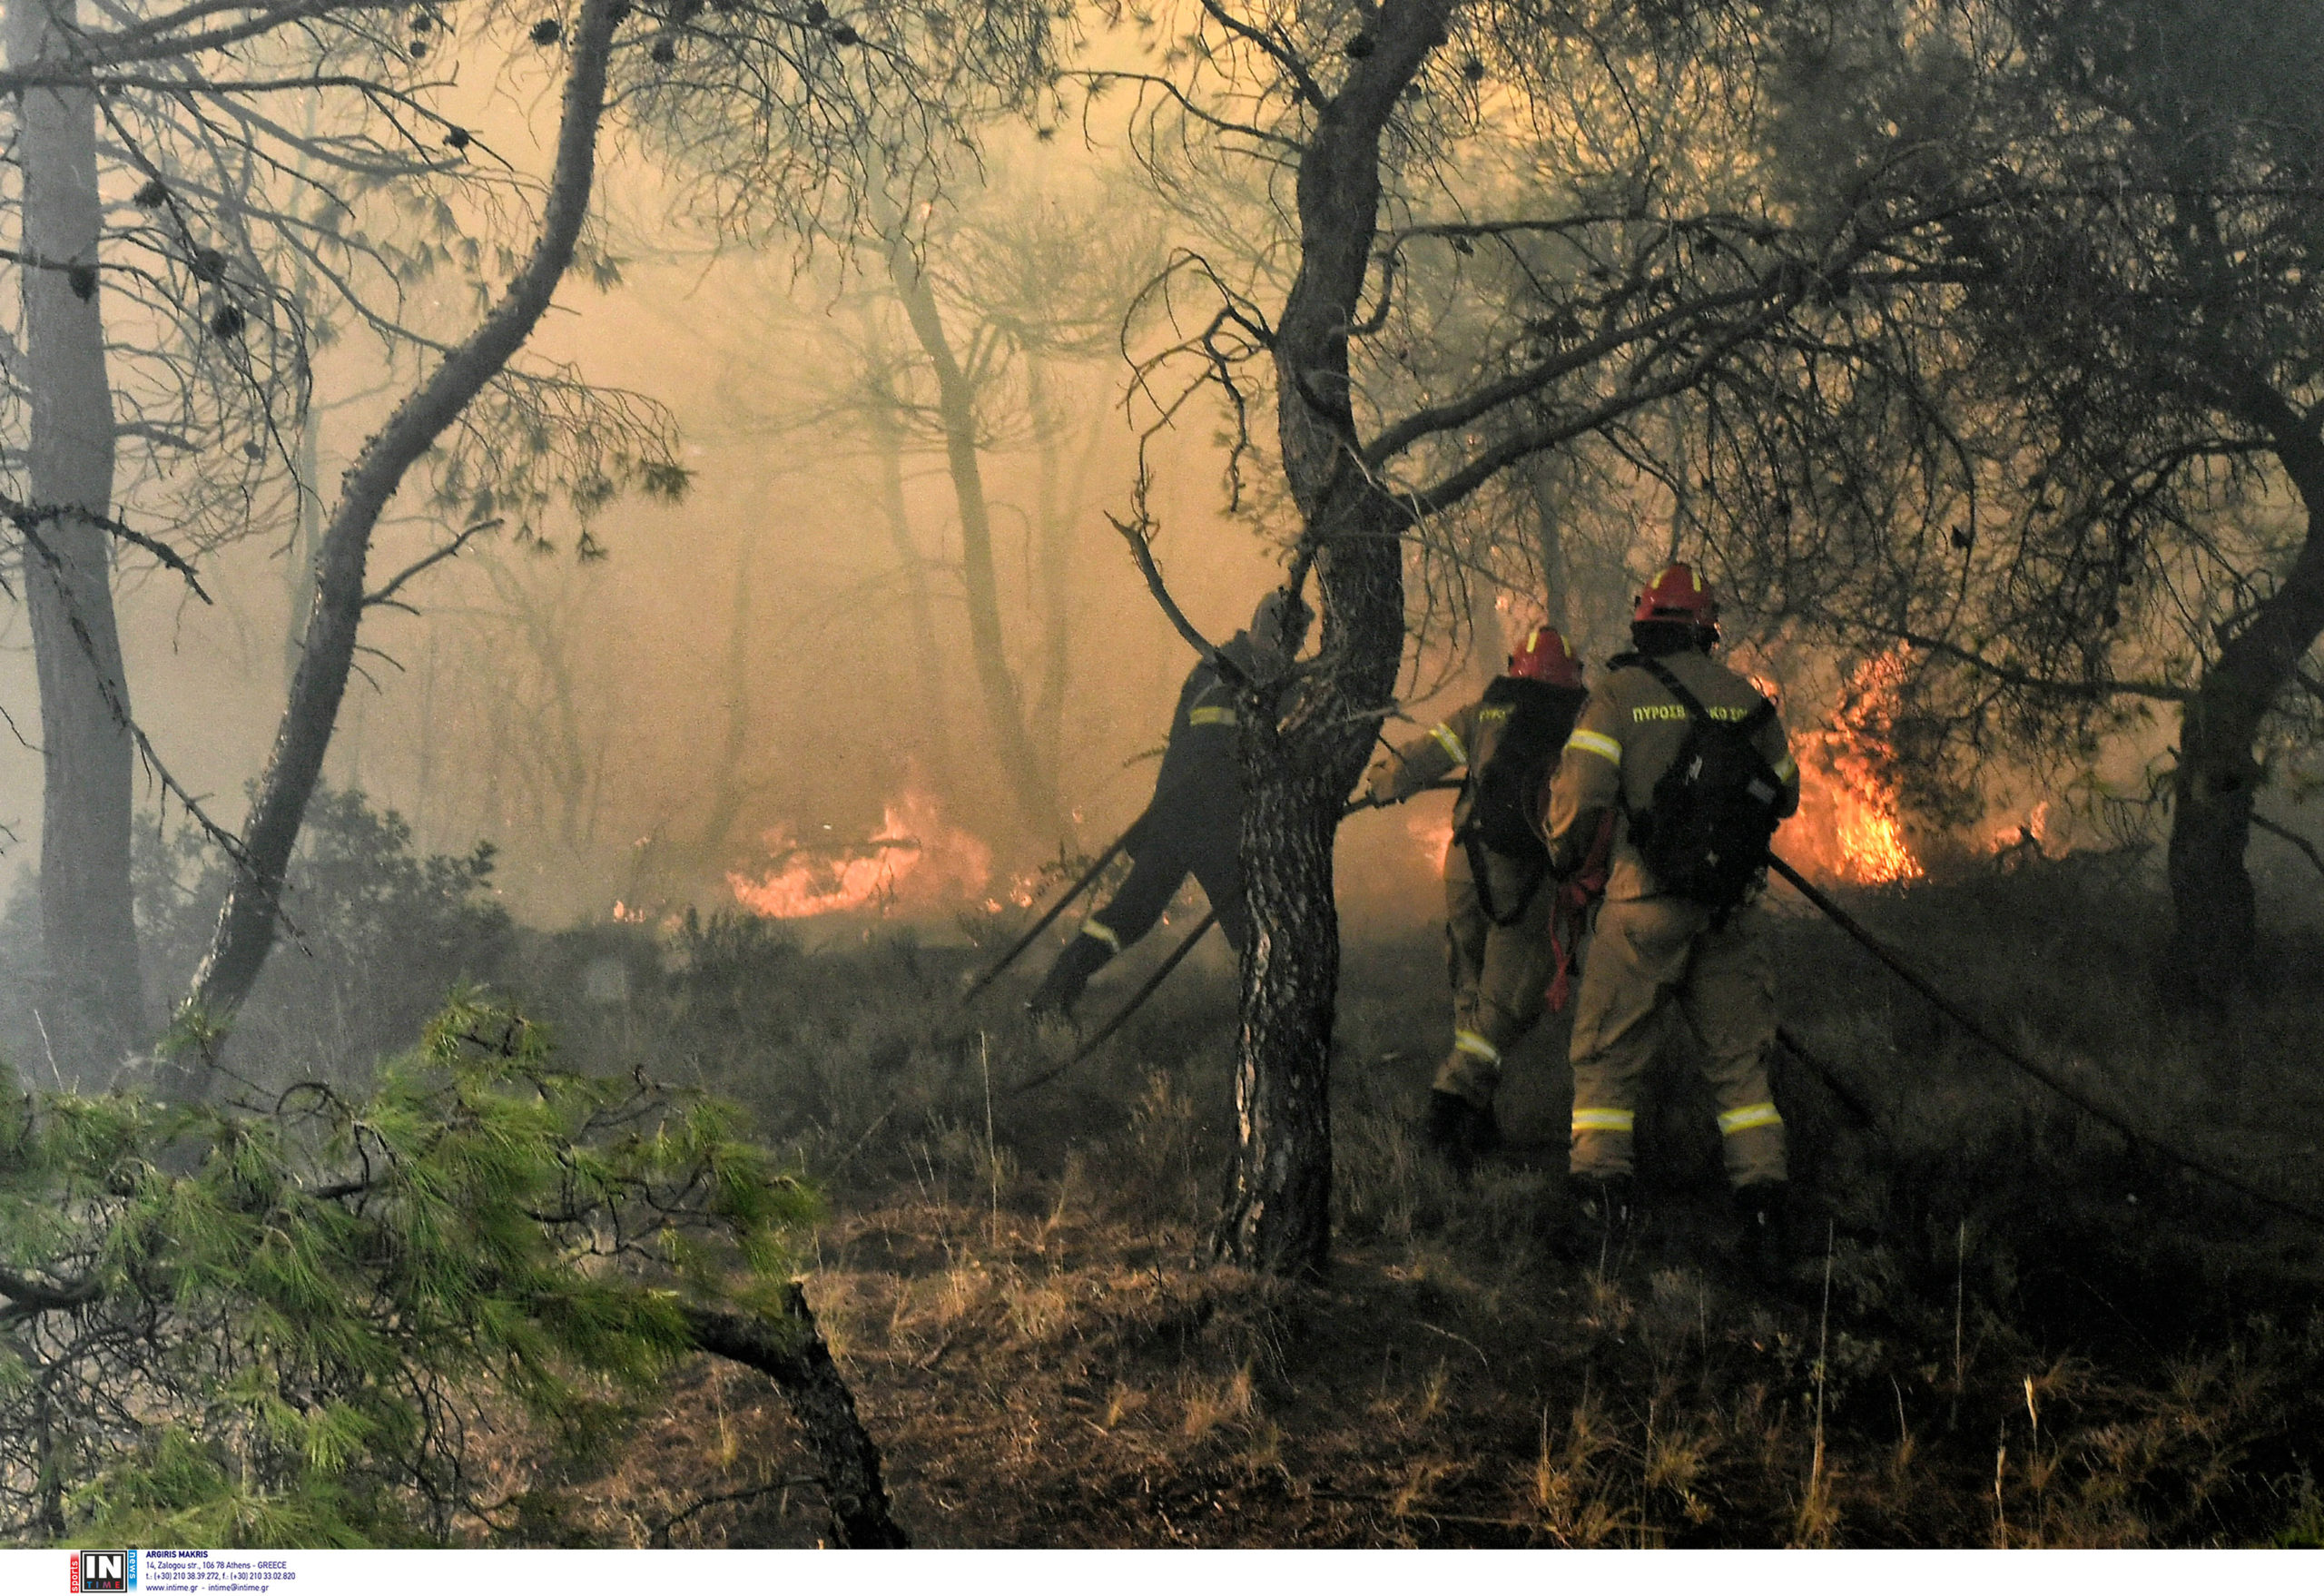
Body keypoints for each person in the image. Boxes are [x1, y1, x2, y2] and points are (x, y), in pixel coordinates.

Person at [1538, 563, 1801, 1277]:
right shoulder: (1746, 697)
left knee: (1605, 1062)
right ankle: (1764, 1213)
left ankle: (1602, 1208)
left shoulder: (1618, 694)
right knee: (1742, 1071)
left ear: (1644, 625)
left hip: (1641, 907)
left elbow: (1581, 798)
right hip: (1728, 912)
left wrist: (1564, 853)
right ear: (1706, 630)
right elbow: (1785, 795)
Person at [1364, 625, 1591, 1169]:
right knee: (1507, 1002)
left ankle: (1475, 1125)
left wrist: (1380, 785)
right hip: (1523, 878)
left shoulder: (1484, 712)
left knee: (1470, 985)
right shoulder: (1577, 723)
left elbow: (1422, 757)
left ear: (1516, 668)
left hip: (1465, 864)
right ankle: (1450, 1102)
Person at [1025, 589, 1311, 1019]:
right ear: (1272, 634)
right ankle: (1282, 1024)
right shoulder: (1226, 673)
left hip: (1183, 821)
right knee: (1251, 927)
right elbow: (1215, 745)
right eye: (1292, 640)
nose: (1294, 652)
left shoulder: (1244, 670)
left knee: (1137, 915)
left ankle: (1055, 991)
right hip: (1198, 822)